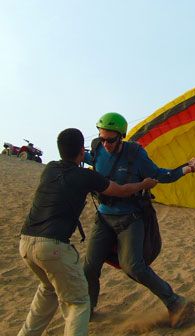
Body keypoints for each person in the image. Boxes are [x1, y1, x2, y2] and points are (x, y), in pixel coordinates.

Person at [18, 128, 157, 336]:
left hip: (26, 244)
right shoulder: (86, 177)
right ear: (81, 152)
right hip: (53, 247)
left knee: (48, 290)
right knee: (79, 303)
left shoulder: (50, 169)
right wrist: (144, 184)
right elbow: (121, 190)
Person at [83, 112, 195, 328]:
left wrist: (188, 167)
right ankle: (87, 310)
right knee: (89, 267)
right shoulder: (97, 149)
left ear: (121, 137)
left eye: (111, 139)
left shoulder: (136, 155)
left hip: (130, 218)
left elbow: (161, 175)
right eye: (102, 138)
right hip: (104, 217)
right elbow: (84, 157)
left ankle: (175, 302)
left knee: (134, 267)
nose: (106, 144)